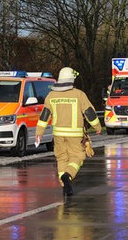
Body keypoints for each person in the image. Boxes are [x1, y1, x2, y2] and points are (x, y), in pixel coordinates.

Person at [36, 67, 102, 196]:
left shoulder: (51, 96)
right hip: (74, 135)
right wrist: (98, 127)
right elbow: (89, 113)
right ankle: (68, 175)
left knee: (61, 159)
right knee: (78, 156)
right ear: (72, 79)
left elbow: (44, 116)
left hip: (58, 135)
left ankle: (65, 185)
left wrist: (39, 132)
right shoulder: (78, 94)